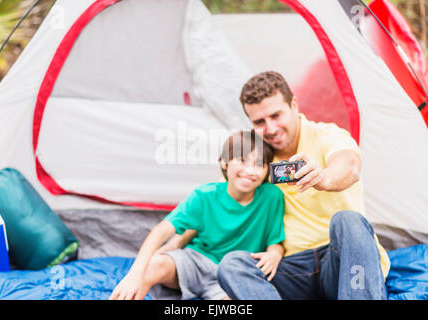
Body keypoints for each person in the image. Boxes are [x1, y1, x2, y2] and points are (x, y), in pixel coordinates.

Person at [164, 71, 390, 300]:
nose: (270, 129)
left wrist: (324, 178)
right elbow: (215, 206)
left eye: (276, 115)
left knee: (348, 220)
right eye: (259, 122)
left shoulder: (327, 135)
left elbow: (349, 167)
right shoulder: (257, 161)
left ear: (294, 105)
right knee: (232, 264)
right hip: (293, 269)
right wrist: (173, 245)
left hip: (341, 261)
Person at [109, 130, 286, 300]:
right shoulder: (204, 196)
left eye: (259, 164)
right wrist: (134, 275)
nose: (250, 170)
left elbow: (275, 242)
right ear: (225, 163)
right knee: (153, 265)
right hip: (196, 262)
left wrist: (275, 254)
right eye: (242, 160)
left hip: (232, 274)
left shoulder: (271, 197)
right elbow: (161, 230)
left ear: (266, 171)